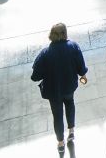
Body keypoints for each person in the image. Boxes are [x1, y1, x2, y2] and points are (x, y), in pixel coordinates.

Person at [31, 23, 88, 152]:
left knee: (57, 115)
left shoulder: (45, 53)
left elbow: (35, 76)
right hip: (69, 86)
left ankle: (61, 143)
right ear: (64, 33)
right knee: (70, 104)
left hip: (53, 91)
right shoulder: (73, 46)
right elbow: (81, 66)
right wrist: (83, 76)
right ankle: (71, 130)